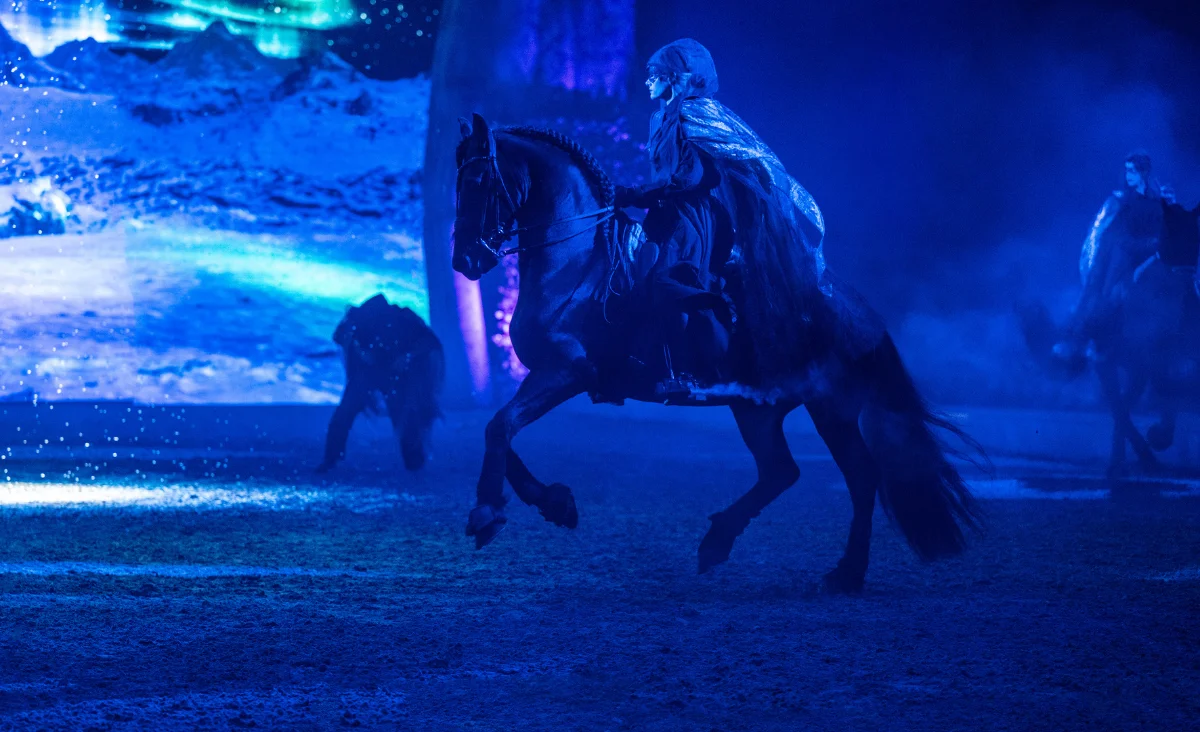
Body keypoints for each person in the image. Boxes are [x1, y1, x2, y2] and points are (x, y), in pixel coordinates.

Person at [612, 38, 835, 400]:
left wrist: (639, 193)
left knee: (667, 282)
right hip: (665, 212)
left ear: (675, 77)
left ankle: (691, 367)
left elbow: (693, 177)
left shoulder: (695, 112)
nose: (647, 81)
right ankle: (643, 363)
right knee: (631, 279)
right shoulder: (659, 118)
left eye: (655, 74)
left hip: (693, 217)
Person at [1056, 152, 1166, 364]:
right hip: (1119, 256)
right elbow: (1106, 233)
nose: (1128, 175)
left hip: (1145, 254)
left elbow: (1162, 227)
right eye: (1127, 170)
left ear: (1144, 172)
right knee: (1100, 291)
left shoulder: (1155, 199)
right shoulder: (1119, 200)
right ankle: (1079, 340)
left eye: (1133, 170)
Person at [316, 294, 444, 473]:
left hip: (395, 373)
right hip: (368, 373)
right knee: (344, 414)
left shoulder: (403, 318)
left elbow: (429, 341)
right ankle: (331, 458)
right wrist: (359, 350)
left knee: (404, 417)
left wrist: (407, 356)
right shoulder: (359, 319)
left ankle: (414, 461)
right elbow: (340, 336)